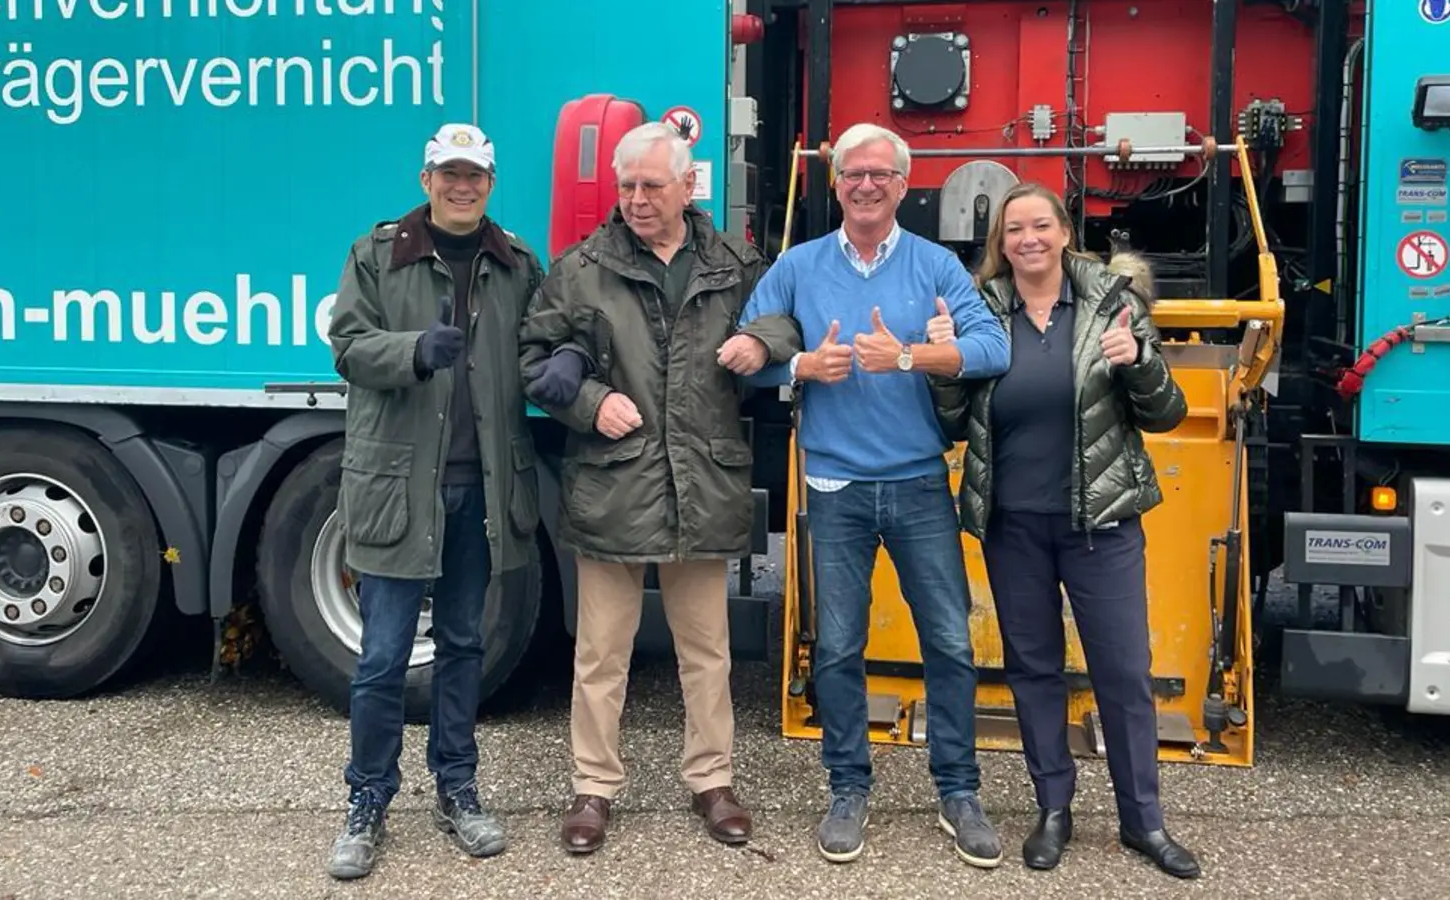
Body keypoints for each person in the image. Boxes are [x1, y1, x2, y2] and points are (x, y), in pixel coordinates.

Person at [517, 121, 802, 854]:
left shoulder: (736, 261)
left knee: (706, 652)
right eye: (627, 186)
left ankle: (713, 781)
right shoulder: (581, 268)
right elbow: (536, 356)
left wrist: (764, 342)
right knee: (601, 652)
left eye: (652, 185)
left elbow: (786, 317)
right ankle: (592, 788)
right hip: (615, 483)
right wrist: (587, 403)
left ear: (687, 186)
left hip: (702, 480)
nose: (638, 200)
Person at [734, 122, 1011, 868]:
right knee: (839, 648)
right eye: (852, 174)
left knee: (950, 642)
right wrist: (797, 369)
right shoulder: (797, 266)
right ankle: (848, 787)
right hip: (835, 485)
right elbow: (739, 351)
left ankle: (958, 790)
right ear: (836, 183)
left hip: (920, 481)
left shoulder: (936, 266)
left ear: (901, 185)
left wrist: (912, 355)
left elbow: (994, 347)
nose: (864, 185)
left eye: (879, 175)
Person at [925, 181, 1199, 879]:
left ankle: (1143, 821)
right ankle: (1053, 809)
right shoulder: (983, 309)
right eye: (1014, 230)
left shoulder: (1112, 302)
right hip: (1012, 524)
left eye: (1040, 225)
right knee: (1034, 671)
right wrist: (946, 367)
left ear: (1064, 231)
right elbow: (954, 424)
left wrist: (1136, 364)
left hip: (1100, 523)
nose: (1028, 240)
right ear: (1000, 244)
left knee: (1124, 673)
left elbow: (1166, 411)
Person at [323, 122, 547, 880]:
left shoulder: (516, 264)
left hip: (481, 490)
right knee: (383, 657)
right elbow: (348, 347)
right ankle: (367, 800)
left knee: (464, 650)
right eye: (448, 174)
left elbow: (543, 345)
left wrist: (568, 362)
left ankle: (458, 787)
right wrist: (413, 351)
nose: (462, 186)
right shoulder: (377, 254)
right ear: (426, 181)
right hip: (398, 489)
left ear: (490, 183)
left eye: (475, 176)